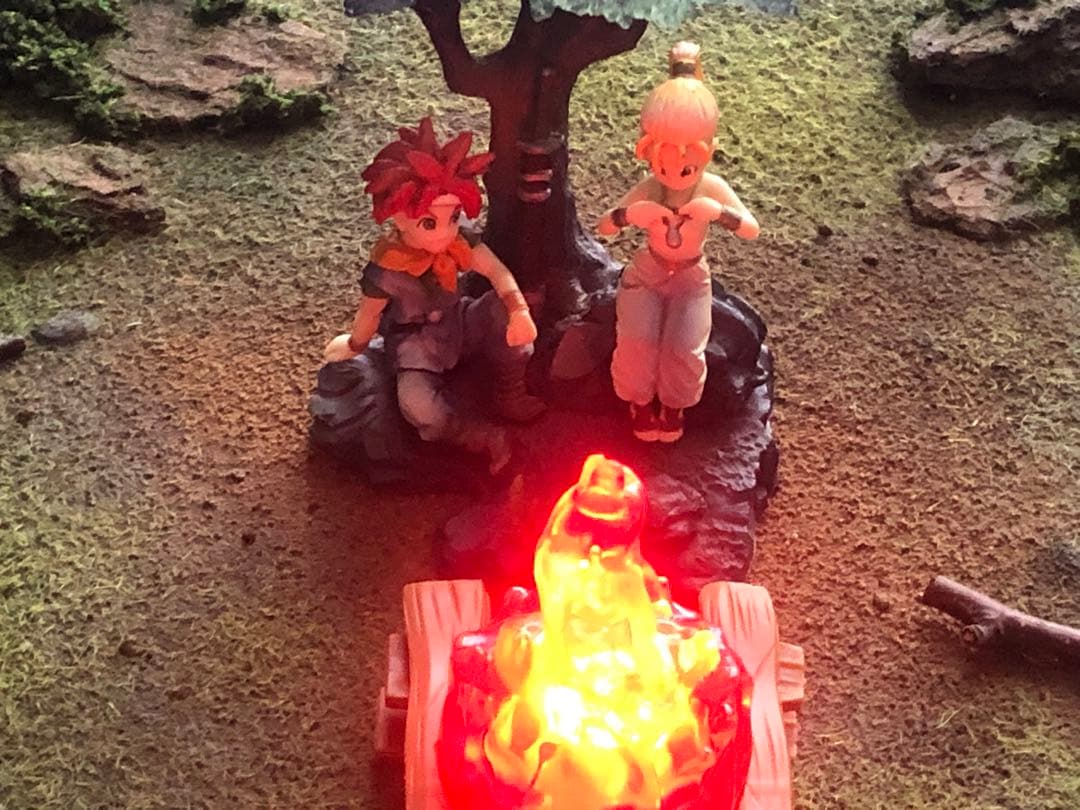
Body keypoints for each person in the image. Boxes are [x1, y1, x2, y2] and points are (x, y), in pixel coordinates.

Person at [324, 118, 544, 473]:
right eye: (430, 223)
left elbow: (497, 273)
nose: (445, 233)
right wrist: (355, 344)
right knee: (419, 408)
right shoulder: (388, 267)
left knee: (507, 319)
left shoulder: (460, 241)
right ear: (400, 219)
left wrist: (517, 309)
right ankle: (478, 436)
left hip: (461, 321)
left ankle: (511, 393)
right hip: (417, 346)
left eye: (453, 218)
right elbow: (370, 314)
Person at [598, 42, 759, 442]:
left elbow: (751, 228)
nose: (672, 175)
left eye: (685, 167)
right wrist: (630, 216)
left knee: (684, 347)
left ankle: (673, 406)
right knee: (636, 342)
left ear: (706, 154)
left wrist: (718, 213)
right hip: (648, 270)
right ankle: (638, 401)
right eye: (661, 165)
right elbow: (605, 225)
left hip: (689, 275)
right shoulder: (650, 187)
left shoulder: (711, 187)